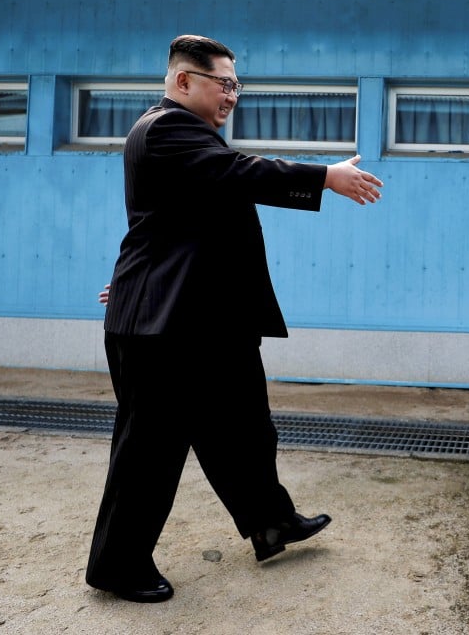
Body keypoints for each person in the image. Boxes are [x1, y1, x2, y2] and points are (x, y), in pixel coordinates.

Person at [86, 34, 384, 603]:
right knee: (149, 451)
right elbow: (243, 172)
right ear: (183, 82)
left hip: (199, 318)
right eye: (223, 84)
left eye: (236, 86)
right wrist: (324, 176)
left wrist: (137, 279)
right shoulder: (167, 127)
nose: (231, 96)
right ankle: (117, 565)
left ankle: (272, 523)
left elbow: (176, 226)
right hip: (164, 330)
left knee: (245, 429)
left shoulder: (192, 139)